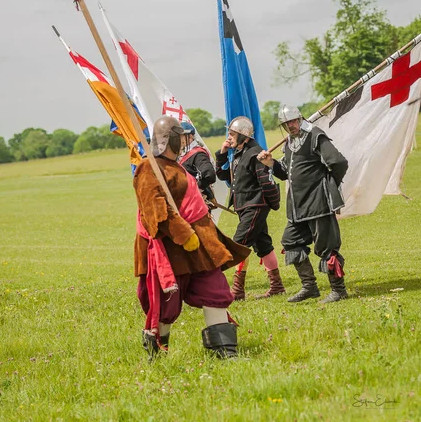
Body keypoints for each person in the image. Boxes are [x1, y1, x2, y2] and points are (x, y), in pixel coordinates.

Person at [133, 115, 251, 360]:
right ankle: (157, 354)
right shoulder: (148, 167)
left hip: (198, 247)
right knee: (167, 305)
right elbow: (154, 213)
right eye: (180, 137)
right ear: (170, 140)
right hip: (171, 249)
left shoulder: (176, 166)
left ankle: (225, 354)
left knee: (215, 291)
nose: (184, 142)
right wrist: (184, 234)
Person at [257, 105, 349, 304]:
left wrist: (328, 184)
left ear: (300, 118)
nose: (290, 126)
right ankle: (310, 287)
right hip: (297, 207)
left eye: (292, 121)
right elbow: (285, 173)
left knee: (326, 247)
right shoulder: (289, 142)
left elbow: (338, 162)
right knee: (291, 242)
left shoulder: (315, 135)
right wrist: (271, 164)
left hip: (319, 203)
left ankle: (338, 290)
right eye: (286, 123)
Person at [215, 116, 285, 300]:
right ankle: (277, 286)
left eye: (232, 134)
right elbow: (222, 175)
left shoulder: (255, 153)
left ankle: (237, 291)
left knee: (239, 245)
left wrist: (270, 205)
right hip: (246, 206)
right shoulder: (238, 154)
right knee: (263, 245)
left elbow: (266, 182)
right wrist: (222, 153)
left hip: (255, 205)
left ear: (243, 136)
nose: (229, 137)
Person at [178, 121, 217, 208]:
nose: (179, 139)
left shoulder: (198, 154)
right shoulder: (185, 153)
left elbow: (209, 174)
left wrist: (197, 190)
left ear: (190, 136)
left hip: (197, 203)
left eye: (182, 136)